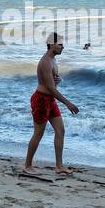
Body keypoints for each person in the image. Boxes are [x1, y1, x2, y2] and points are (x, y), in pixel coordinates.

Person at [23, 32, 78, 176]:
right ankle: (27, 165)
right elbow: (50, 89)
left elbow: (52, 84)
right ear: (51, 45)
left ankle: (59, 166)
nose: (62, 47)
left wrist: (57, 80)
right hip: (41, 100)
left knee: (60, 131)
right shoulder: (46, 62)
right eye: (60, 44)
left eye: (62, 44)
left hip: (50, 100)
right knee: (38, 133)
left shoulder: (53, 60)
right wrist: (68, 103)